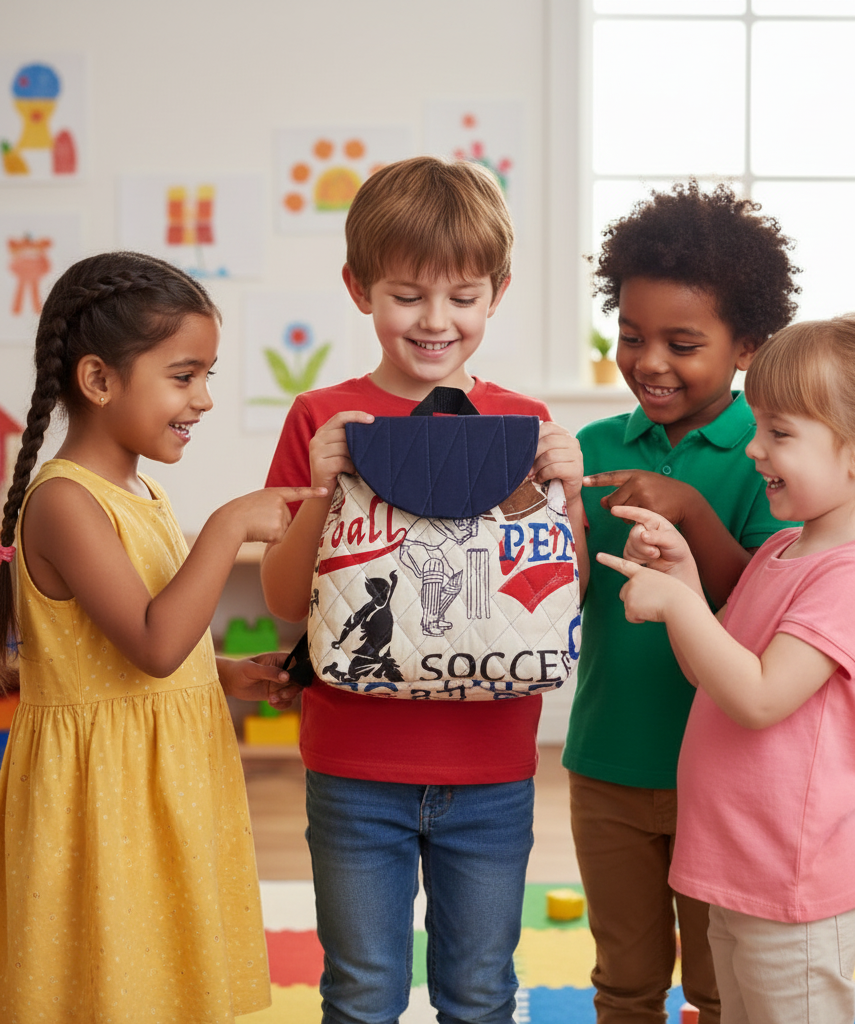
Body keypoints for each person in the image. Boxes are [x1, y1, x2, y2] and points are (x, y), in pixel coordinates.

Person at [260, 155, 585, 1024]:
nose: (436, 321)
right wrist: (325, 487)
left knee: (480, 995)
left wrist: (573, 494)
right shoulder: (320, 417)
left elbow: (560, 599)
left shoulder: (525, 424)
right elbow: (287, 602)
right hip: (355, 766)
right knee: (361, 993)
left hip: (491, 768)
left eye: (463, 296)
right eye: (407, 295)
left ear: (498, 291)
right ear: (358, 287)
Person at [600, 313, 855, 1024]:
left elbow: (760, 697)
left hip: (794, 884)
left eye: (779, 434)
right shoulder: (783, 553)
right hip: (739, 866)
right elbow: (713, 675)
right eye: (759, 428)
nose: (754, 450)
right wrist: (684, 577)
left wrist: (678, 609)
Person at [0, 251, 324, 1024]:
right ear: (99, 380)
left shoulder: (139, 488)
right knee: (108, 980)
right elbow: (150, 643)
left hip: (159, 774)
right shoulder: (65, 503)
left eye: (208, 375)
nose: (204, 399)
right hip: (101, 792)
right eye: (185, 376)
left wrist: (219, 671)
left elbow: (129, 643)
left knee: (164, 970)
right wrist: (226, 526)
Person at [562, 181, 800, 1023]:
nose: (649, 360)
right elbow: (563, 592)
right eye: (630, 336)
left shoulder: (767, 457)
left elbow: (760, 604)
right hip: (605, 764)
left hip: (723, 779)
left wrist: (690, 508)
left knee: (718, 985)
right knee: (623, 982)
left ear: (746, 347)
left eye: (682, 342)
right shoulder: (591, 450)